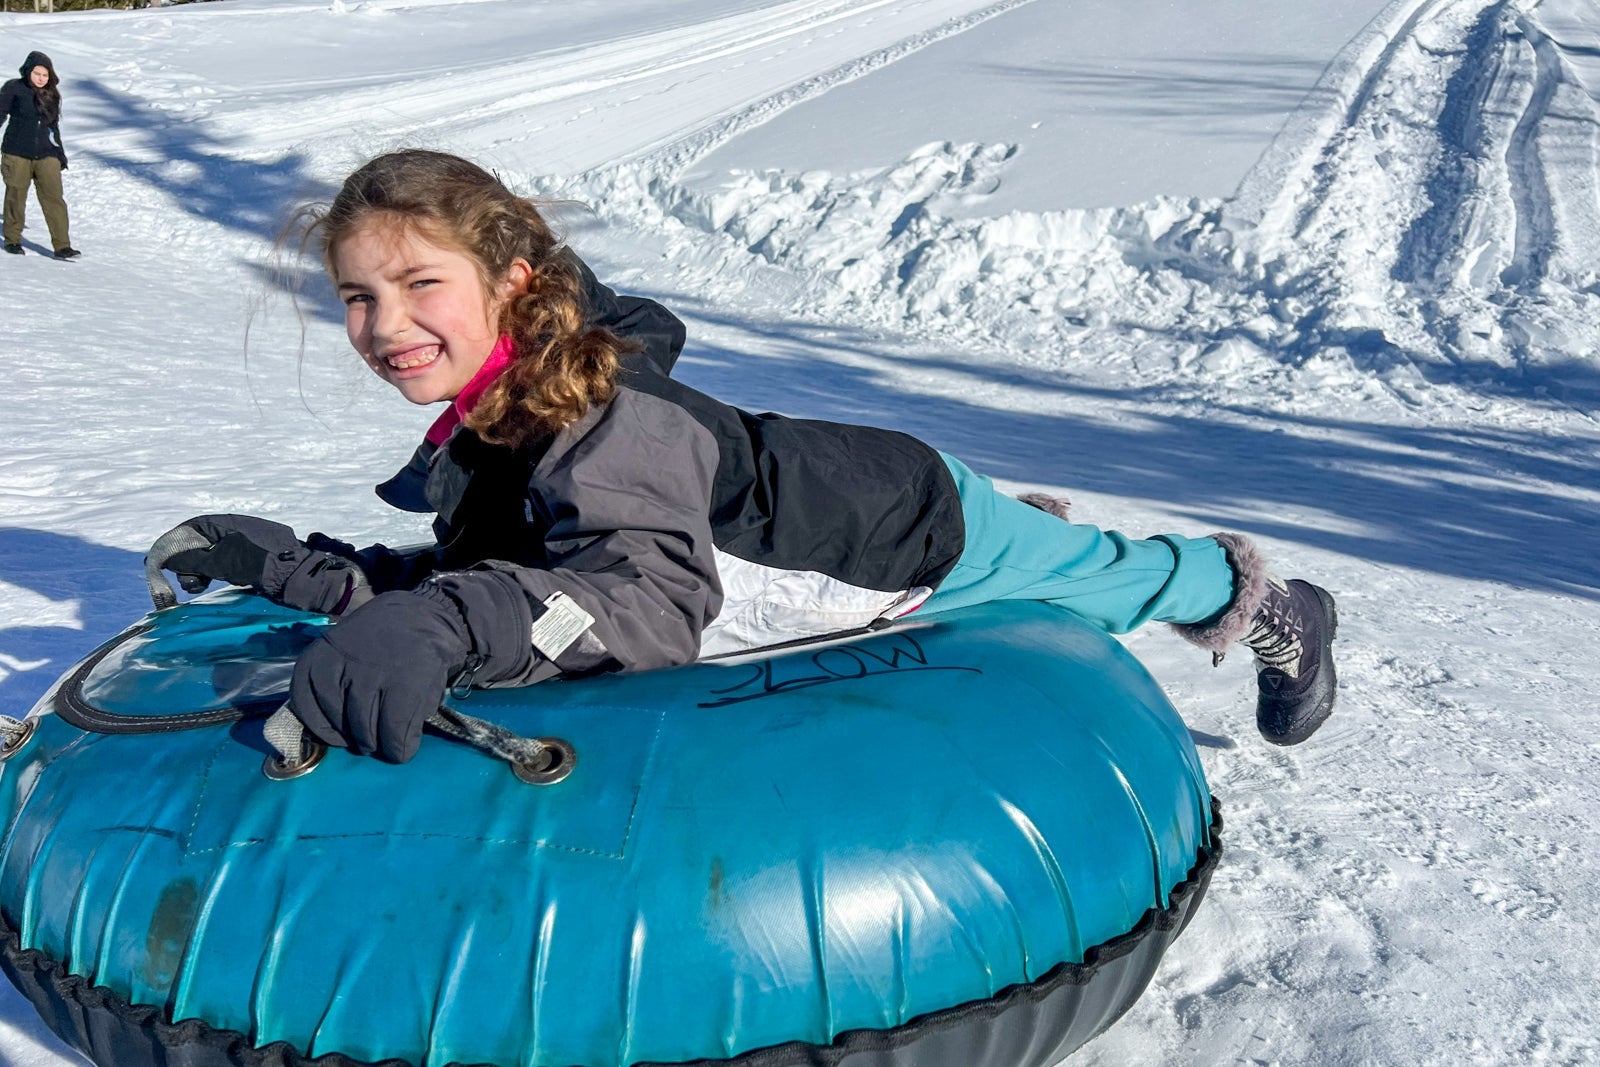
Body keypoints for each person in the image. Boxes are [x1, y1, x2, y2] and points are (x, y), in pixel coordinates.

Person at [147, 149, 1338, 765]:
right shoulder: (487, 416)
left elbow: (645, 602)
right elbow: (516, 565)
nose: (385, 325)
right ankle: (1035, 534)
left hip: (899, 526)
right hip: (808, 525)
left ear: (510, 281)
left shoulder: (610, 415)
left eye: (418, 284)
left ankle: (1277, 608)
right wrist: (321, 576)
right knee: (1050, 560)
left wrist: (449, 627)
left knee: (1120, 575)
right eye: (357, 296)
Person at [0, 51, 77, 260]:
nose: (41, 78)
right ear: (28, 71)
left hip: (46, 154)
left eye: (45, 75)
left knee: (54, 198)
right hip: (16, 153)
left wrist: (59, 153)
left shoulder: (51, 94)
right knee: (16, 196)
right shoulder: (13, 88)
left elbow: (53, 127)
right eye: (37, 73)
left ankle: (62, 245)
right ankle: (12, 240)